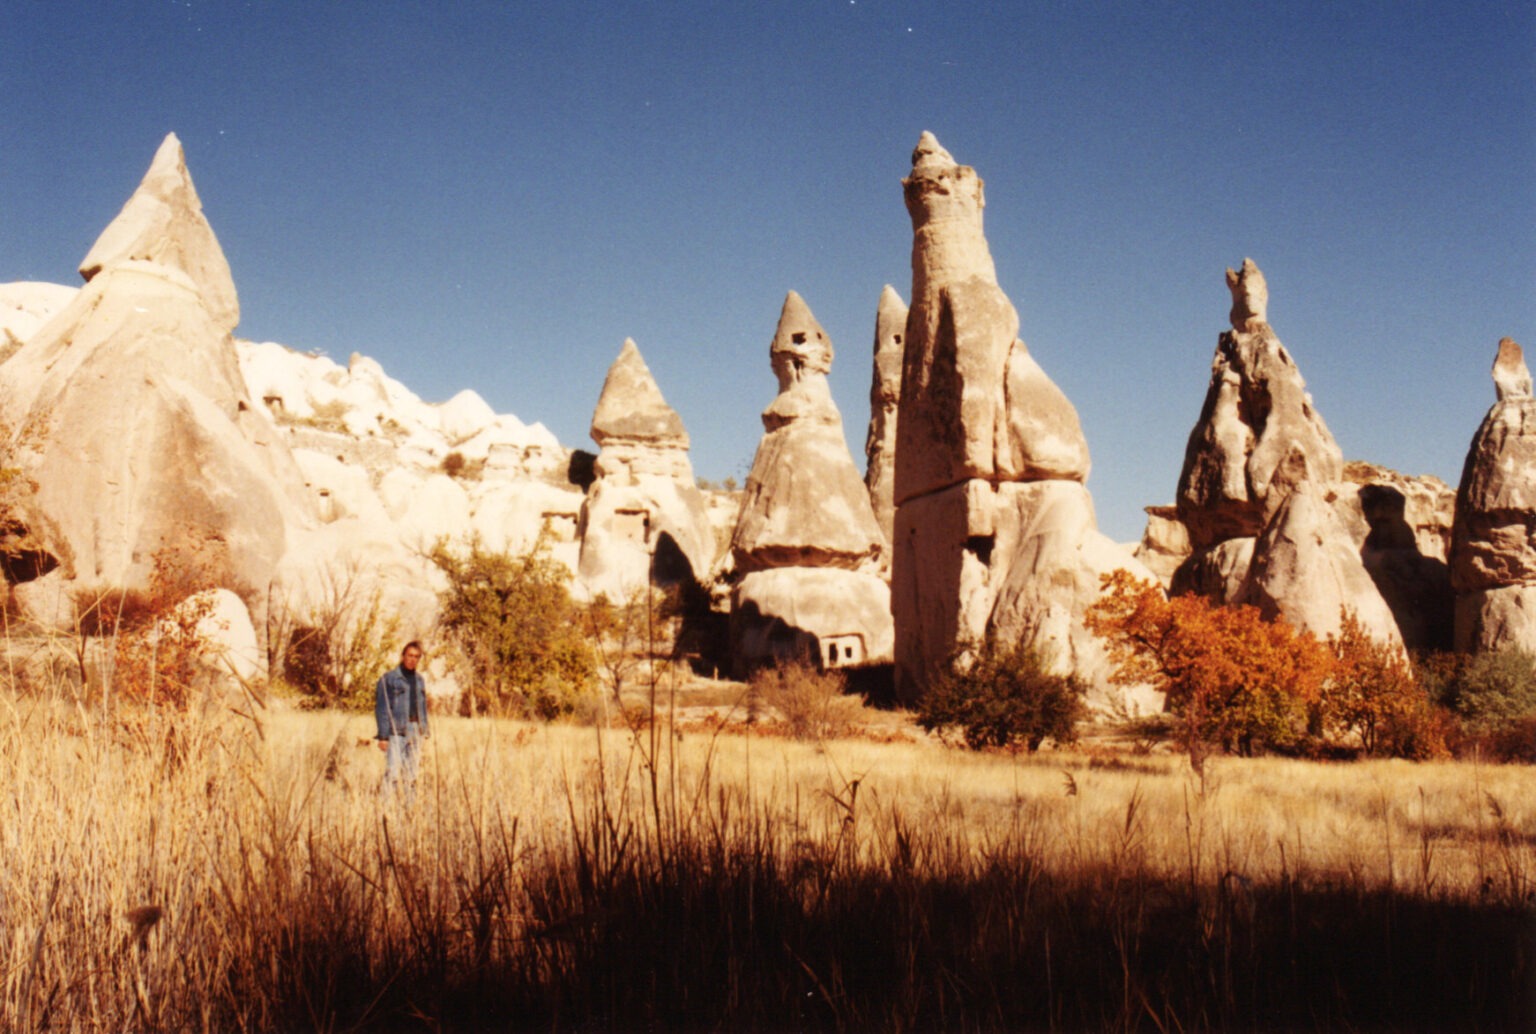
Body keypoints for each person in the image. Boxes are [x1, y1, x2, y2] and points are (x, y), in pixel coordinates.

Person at [375, 641, 430, 796]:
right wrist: (383, 736)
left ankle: (409, 812)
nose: (413, 659)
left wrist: (424, 731)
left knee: (412, 775)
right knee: (392, 773)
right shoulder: (389, 679)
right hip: (396, 732)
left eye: (417, 657)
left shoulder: (420, 680)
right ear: (403, 656)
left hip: (415, 731)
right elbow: (382, 709)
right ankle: (386, 810)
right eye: (410, 655)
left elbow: (422, 707)